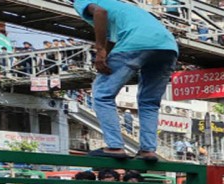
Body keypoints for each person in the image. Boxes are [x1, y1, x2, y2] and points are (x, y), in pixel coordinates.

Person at [74, 0, 178, 162]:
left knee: (102, 94)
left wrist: (100, 51)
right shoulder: (119, 5)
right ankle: (148, 150)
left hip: (136, 42)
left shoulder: (82, 1)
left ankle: (115, 146)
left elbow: (100, 12)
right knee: (149, 102)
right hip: (168, 46)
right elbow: (112, 38)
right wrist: (105, 56)